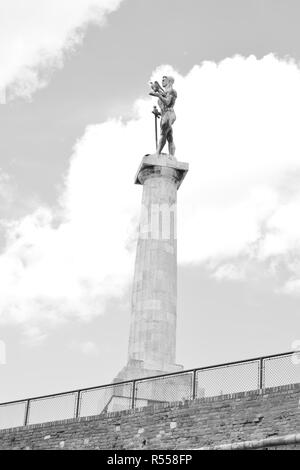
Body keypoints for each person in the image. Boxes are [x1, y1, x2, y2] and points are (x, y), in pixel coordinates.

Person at [149, 76, 177, 156]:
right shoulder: (164, 92)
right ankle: (172, 156)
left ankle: (157, 153)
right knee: (169, 136)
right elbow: (163, 108)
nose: (162, 81)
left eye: (164, 80)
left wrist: (158, 95)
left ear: (169, 81)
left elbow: (168, 103)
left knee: (163, 133)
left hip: (169, 114)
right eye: (162, 80)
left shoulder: (172, 91)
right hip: (165, 114)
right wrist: (158, 113)